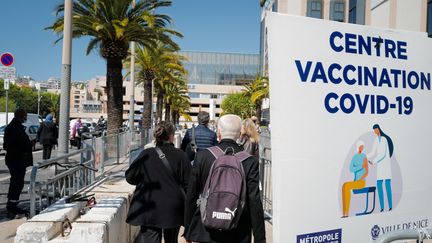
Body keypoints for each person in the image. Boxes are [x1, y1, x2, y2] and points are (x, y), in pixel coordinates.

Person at [184, 114, 266, 243]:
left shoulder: (202, 156)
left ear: (219, 132)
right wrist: (260, 238)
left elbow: (191, 195)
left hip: (207, 230)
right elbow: (254, 201)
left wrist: (188, 229)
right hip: (238, 231)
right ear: (239, 134)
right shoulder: (249, 161)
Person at [126, 121, 192, 243]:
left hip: (150, 206)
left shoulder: (146, 154)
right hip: (173, 207)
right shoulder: (181, 156)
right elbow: (189, 184)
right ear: (171, 136)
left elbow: (130, 177)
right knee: (171, 240)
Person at [3, 108, 33, 219]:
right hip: (16, 160)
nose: (26, 117)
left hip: (19, 160)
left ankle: (13, 204)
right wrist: (22, 148)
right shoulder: (13, 128)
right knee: (16, 183)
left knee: (18, 183)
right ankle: (11, 206)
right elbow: (8, 145)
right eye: (24, 115)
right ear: (20, 116)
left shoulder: (17, 127)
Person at [367, 124, 394, 212]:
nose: (375, 131)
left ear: (379, 129)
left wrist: (373, 161)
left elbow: (382, 154)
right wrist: (365, 156)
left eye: (375, 129)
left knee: (387, 185)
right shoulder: (376, 140)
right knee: (379, 185)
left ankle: (390, 206)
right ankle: (382, 207)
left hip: (385, 165)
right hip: (380, 166)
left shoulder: (384, 139)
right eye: (374, 130)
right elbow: (373, 152)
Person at [341, 141, 369, 218]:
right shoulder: (354, 157)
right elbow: (351, 169)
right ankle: (344, 213)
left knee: (346, 185)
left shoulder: (364, 156)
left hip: (361, 182)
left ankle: (346, 213)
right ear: (358, 147)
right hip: (355, 181)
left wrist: (361, 178)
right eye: (361, 146)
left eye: (362, 146)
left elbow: (366, 172)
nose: (362, 148)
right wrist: (360, 166)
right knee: (344, 186)